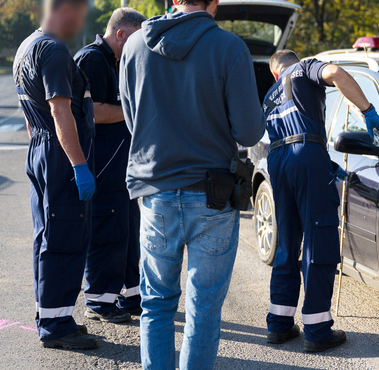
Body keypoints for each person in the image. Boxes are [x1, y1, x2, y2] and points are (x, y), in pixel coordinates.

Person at [118, 0, 265, 367]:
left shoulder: (135, 44)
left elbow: (130, 117)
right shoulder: (230, 48)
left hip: (155, 191)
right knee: (204, 308)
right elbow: (249, 130)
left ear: (171, 1)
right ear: (214, 4)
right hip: (212, 194)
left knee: (156, 303)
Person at [262, 50, 379, 353]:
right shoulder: (304, 68)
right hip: (305, 153)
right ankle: (317, 330)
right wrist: (367, 110)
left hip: (277, 160)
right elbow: (336, 75)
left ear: (274, 74)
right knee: (319, 238)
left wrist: (321, 164)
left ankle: (279, 324)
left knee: (287, 242)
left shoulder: (269, 95)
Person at [13, 0, 98, 349]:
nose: (80, 21)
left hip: (43, 148)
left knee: (47, 235)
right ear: (66, 8)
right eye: (80, 13)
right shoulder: (54, 50)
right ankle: (55, 325)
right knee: (63, 236)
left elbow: (30, 114)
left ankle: (53, 313)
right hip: (60, 154)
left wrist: (41, 152)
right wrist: (79, 166)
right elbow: (60, 112)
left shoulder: (27, 46)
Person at [74, 7, 146, 324]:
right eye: (136, 38)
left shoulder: (113, 60)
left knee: (128, 229)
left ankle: (130, 294)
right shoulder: (92, 59)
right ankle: (99, 300)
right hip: (103, 162)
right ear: (121, 34)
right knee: (107, 229)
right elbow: (94, 112)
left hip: (122, 164)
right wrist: (133, 111)